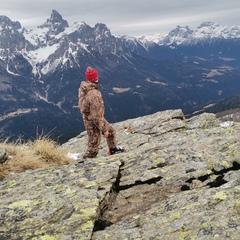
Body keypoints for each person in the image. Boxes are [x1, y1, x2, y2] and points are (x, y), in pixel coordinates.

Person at [78, 66, 124, 159]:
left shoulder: (83, 88)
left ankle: (113, 149)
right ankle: (85, 163)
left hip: (89, 118)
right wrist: (103, 129)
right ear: (95, 78)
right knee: (93, 147)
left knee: (111, 131)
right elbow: (96, 116)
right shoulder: (94, 94)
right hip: (93, 121)